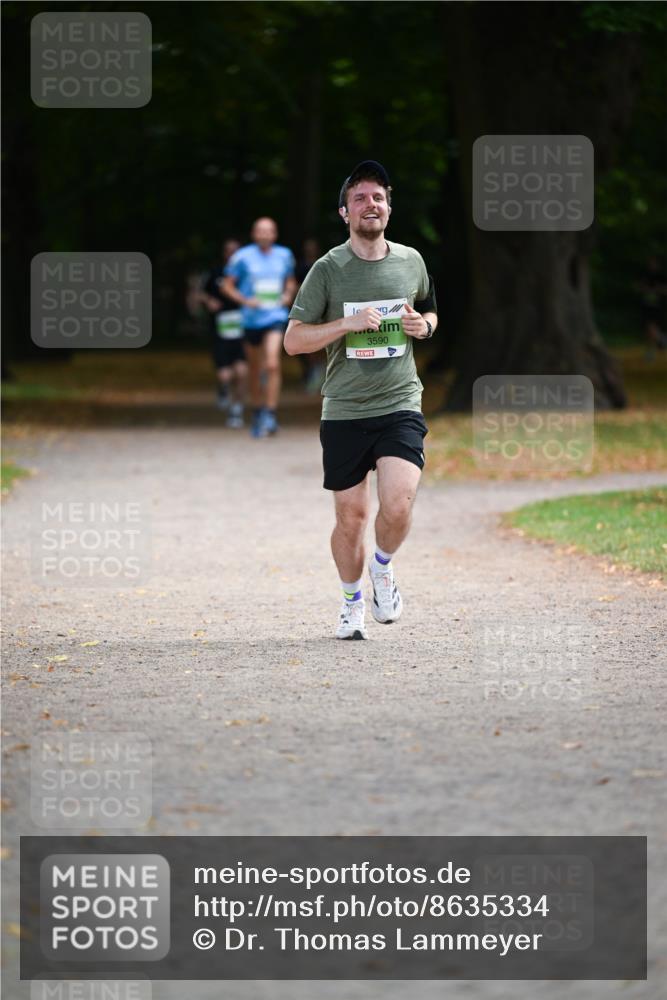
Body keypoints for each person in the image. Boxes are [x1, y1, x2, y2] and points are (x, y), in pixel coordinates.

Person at [284, 160, 438, 640]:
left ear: (389, 207)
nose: (370, 205)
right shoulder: (328, 270)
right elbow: (293, 341)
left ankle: (383, 567)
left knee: (399, 502)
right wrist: (346, 324)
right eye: (360, 198)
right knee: (351, 517)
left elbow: (429, 309)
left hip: (399, 402)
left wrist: (424, 326)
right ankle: (351, 601)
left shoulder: (411, 261)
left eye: (378, 197)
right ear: (344, 211)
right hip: (346, 410)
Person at [221, 218, 297, 437]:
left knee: (272, 364)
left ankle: (270, 413)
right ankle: (257, 410)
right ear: (254, 234)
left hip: (275, 316)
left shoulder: (284, 255)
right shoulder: (242, 256)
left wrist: (287, 294)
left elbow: (290, 281)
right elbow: (227, 285)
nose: (264, 234)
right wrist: (245, 301)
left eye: (269, 231)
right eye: (260, 231)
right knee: (254, 368)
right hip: (251, 319)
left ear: (275, 234)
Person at [201, 239, 247, 427]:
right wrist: (209, 301)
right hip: (221, 328)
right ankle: (224, 389)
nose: (232, 255)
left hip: (243, 327)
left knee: (242, 372)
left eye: (235, 251)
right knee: (225, 374)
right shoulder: (215, 273)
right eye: (229, 251)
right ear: (224, 253)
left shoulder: (246, 274)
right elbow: (200, 293)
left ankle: (237, 409)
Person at [295, 238, 327, 394]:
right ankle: (312, 371)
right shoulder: (300, 267)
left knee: (321, 342)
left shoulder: (323, 263)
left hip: (322, 308)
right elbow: (295, 286)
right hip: (306, 309)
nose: (310, 250)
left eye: (312, 247)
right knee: (307, 344)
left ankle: (318, 372)